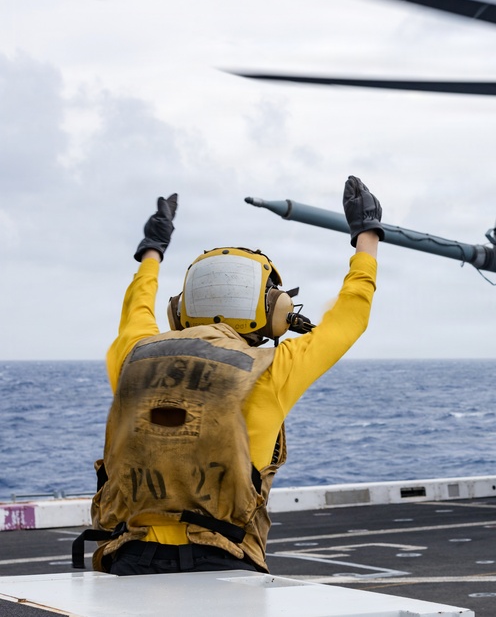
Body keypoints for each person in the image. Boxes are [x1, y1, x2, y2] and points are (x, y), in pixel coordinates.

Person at [74, 177, 384, 575]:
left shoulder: (133, 357)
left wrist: (153, 248)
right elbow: (350, 316)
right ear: (275, 309)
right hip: (224, 563)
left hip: (127, 559)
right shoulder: (272, 369)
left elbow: (136, 307)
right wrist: (367, 235)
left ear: (180, 310)